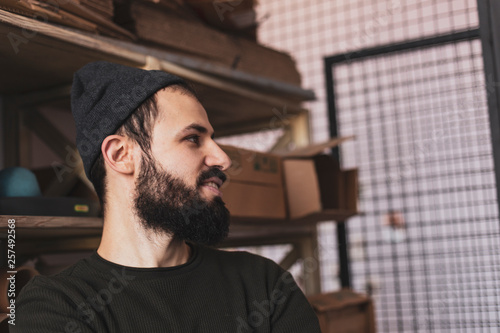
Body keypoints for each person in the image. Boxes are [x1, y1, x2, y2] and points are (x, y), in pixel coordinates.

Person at [14, 61, 321, 332]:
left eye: (212, 138)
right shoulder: (56, 306)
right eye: (192, 138)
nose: (222, 158)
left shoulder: (263, 285)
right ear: (121, 155)